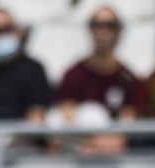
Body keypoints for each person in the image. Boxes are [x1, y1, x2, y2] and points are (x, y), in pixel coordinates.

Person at [55, 5, 144, 155]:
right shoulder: (73, 74)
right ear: (89, 29)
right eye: (96, 24)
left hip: (113, 155)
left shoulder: (129, 78)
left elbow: (127, 127)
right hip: (80, 153)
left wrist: (105, 141)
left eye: (110, 25)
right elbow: (68, 118)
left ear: (119, 31)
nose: (102, 30)